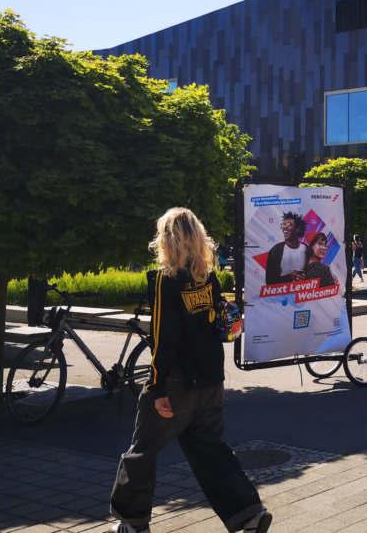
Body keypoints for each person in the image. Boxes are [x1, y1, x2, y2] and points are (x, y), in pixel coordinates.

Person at [109, 208, 271, 533]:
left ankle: (132, 523)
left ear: (167, 239)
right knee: (212, 452)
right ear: (197, 237)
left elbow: (162, 338)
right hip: (211, 380)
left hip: (177, 382)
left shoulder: (164, 279)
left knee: (140, 453)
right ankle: (250, 513)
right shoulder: (207, 276)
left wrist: (156, 388)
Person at [265, 211, 307, 285]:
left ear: (297, 229)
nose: (284, 227)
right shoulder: (275, 251)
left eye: (288, 224)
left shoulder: (307, 250)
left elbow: (314, 275)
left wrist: (306, 278)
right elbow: (269, 281)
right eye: (283, 225)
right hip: (282, 295)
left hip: (303, 294)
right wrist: (288, 278)